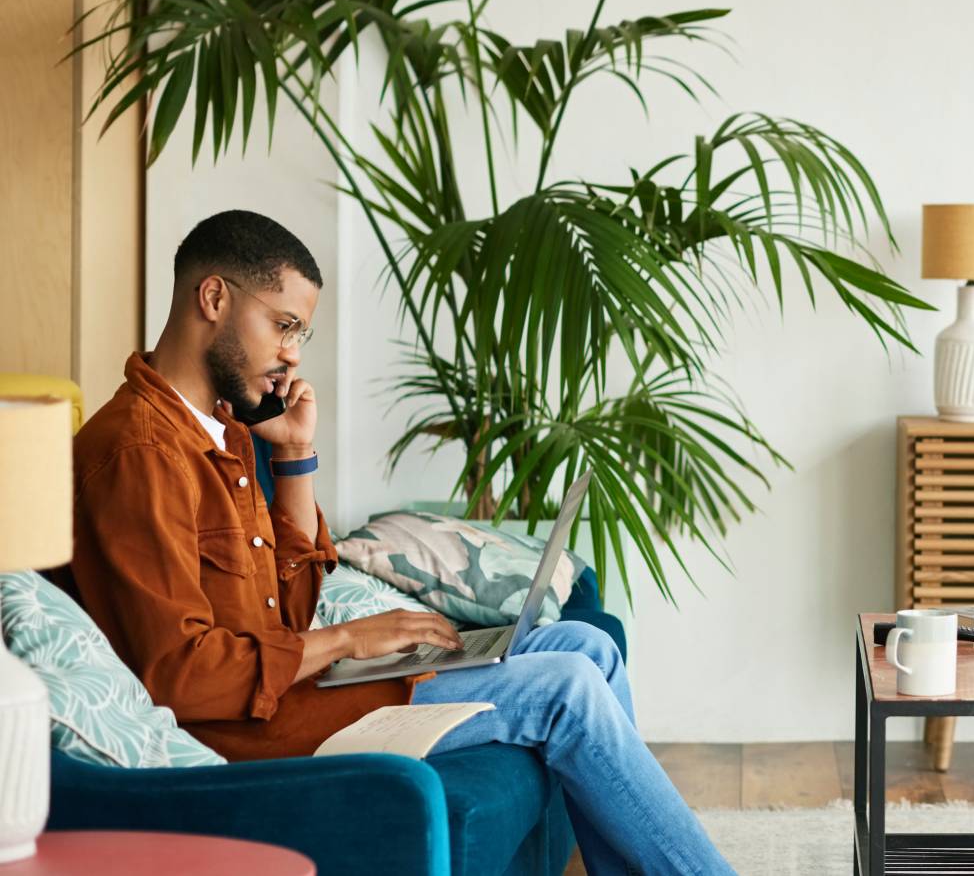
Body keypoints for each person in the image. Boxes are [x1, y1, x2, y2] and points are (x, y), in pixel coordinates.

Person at [67, 209, 735, 875]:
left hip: (303, 687)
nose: (294, 353)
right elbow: (180, 674)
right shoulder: (137, 453)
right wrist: (352, 639)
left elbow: (291, 613)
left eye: (301, 331)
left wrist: (296, 455)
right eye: (284, 324)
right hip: (267, 728)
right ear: (213, 297)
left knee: (587, 644)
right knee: (567, 688)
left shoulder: (224, 432)